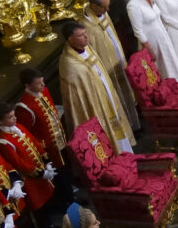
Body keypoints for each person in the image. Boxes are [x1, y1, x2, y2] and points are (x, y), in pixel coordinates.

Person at [58, 22, 136, 153]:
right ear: (70, 39)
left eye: (85, 33)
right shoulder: (69, 64)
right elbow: (79, 97)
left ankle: (124, 152)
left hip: (106, 95)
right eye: (81, 35)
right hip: (95, 103)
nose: (86, 37)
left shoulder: (87, 48)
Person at [80, 0, 141, 132]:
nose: (107, 10)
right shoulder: (87, 27)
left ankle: (135, 123)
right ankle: (127, 129)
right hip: (108, 69)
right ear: (94, 6)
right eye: (104, 7)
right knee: (118, 98)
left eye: (108, 6)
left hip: (119, 61)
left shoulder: (103, 13)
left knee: (128, 93)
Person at [0, 103, 58, 228]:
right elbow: (19, 164)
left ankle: (50, 223)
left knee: (46, 199)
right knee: (38, 206)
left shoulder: (18, 127)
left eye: (14, 115)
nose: (14, 118)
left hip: (40, 170)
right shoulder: (4, 141)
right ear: (0, 121)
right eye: (10, 117)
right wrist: (40, 173)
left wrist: (47, 162)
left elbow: (35, 143)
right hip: (29, 180)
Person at [126, 0, 178, 82]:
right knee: (162, 68)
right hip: (152, 41)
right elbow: (138, 30)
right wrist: (149, 49)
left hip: (163, 36)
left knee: (172, 63)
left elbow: (158, 17)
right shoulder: (133, 5)